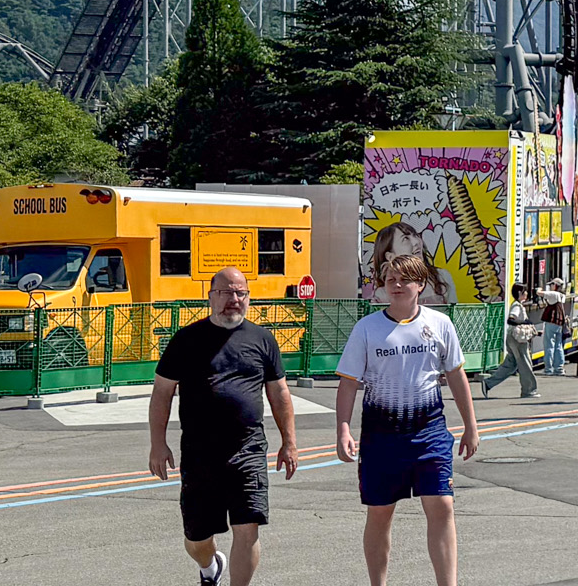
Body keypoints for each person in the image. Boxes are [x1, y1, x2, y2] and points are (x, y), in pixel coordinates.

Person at [149, 266, 301, 586]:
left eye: (240, 293)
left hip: (248, 449)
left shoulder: (262, 339)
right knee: (197, 538)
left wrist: (289, 442)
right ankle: (209, 566)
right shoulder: (186, 340)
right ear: (210, 297)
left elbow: (279, 393)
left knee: (248, 528)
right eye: (225, 292)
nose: (233, 299)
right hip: (199, 453)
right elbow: (163, 392)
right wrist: (157, 443)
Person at [336, 251, 481, 586]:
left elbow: (457, 376)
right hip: (381, 437)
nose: (396, 285)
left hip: (430, 432)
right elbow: (348, 383)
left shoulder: (439, 323)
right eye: (390, 280)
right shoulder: (367, 329)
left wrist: (471, 426)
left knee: (442, 505)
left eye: (404, 280)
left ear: (420, 284)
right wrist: (343, 428)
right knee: (381, 512)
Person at [481, 284, 540, 399]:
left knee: (510, 365)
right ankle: (529, 390)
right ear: (519, 293)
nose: (526, 294)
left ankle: (488, 383)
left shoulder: (518, 305)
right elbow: (511, 319)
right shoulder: (517, 306)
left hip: (513, 337)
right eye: (524, 292)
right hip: (518, 338)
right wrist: (523, 324)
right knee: (525, 363)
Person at [537, 288, 568, 377]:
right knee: (558, 346)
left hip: (551, 322)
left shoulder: (554, 294)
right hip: (559, 323)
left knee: (549, 345)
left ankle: (548, 369)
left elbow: (539, 293)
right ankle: (559, 368)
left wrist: (539, 288)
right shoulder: (562, 296)